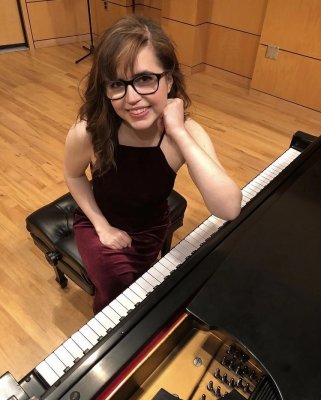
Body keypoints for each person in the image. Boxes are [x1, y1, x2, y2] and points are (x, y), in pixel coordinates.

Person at [64, 15, 242, 314]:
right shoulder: (89, 131)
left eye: (145, 79)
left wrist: (179, 134)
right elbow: (73, 175)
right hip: (100, 225)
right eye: (117, 84)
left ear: (168, 80)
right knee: (117, 288)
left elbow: (229, 207)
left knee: (145, 286)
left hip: (152, 226)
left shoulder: (186, 132)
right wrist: (102, 226)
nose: (132, 98)